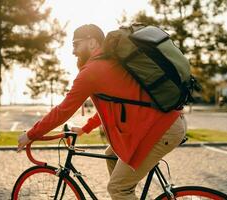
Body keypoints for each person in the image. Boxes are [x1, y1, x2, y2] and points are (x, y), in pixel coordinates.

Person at [18, 24, 187, 200]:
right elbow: (114, 106)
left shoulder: (93, 70)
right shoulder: (109, 64)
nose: (73, 51)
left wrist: (31, 134)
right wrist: (85, 128)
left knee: (118, 189)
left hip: (162, 129)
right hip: (163, 123)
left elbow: (63, 110)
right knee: (111, 154)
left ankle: (124, 194)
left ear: (91, 43)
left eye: (76, 44)